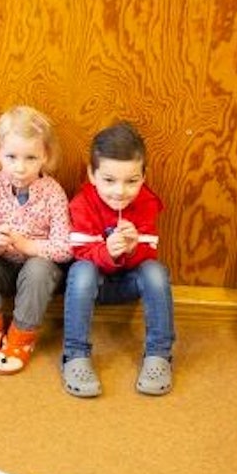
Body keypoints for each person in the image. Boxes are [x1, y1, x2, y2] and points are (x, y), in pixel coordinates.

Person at [61, 121, 175, 397]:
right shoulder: (82, 203)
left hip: (128, 283)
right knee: (82, 270)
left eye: (131, 181)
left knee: (156, 272)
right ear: (92, 174)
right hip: (93, 285)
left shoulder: (146, 202)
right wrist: (107, 252)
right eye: (109, 180)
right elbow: (78, 252)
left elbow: (150, 251)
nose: (120, 191)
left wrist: (134, 248)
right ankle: (74, 354)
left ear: (143, 175)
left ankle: (159, 354)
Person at [0, 106, 73, 374]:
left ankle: (21, 336)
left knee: (38, 269)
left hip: (38, 270)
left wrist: (28, 246)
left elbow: (65, 247)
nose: (19, 168)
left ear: (45, 156)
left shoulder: (53, 192)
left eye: (30, 157)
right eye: (11, 157)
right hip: (1, 264)